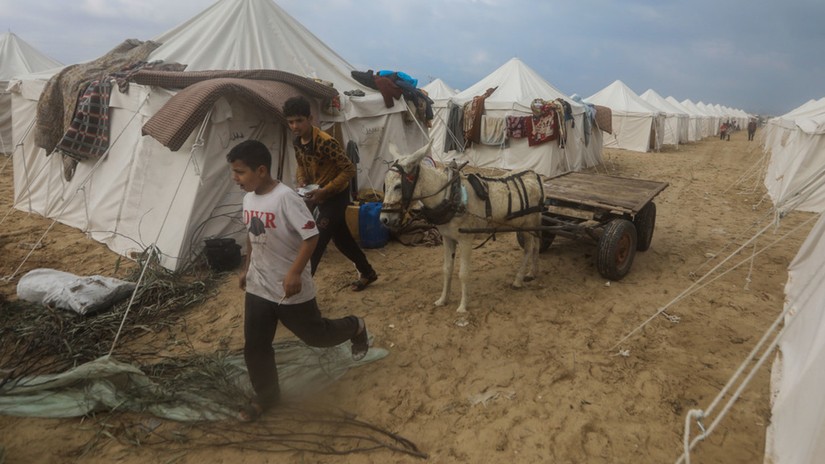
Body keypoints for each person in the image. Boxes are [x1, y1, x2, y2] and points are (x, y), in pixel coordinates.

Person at [227, 139, 369, 422]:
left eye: (240, 172)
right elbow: (252, 234)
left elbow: (312, 236)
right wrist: (246, 268)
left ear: (262, 170)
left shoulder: (286, 199)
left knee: (316, 336)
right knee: (255, 345)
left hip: (288, 286)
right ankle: (267, 396)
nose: (235, 178)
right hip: (259, 285)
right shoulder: (248, 199)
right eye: (234, 172)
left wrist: (294, 272)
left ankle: (356, 326)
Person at [283, 95, 378, 291]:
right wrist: (301, 180)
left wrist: (326, 190)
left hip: (335, 196)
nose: (295, 126)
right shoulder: (298, 142)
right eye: (291, 122)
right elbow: (300, 165)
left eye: (299, 120)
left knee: (316, 242)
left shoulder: (326, 142)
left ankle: (302, 291)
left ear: (310, 119)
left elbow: (349, 169)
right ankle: (367, 272)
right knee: (342, 240)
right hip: (318, 195)